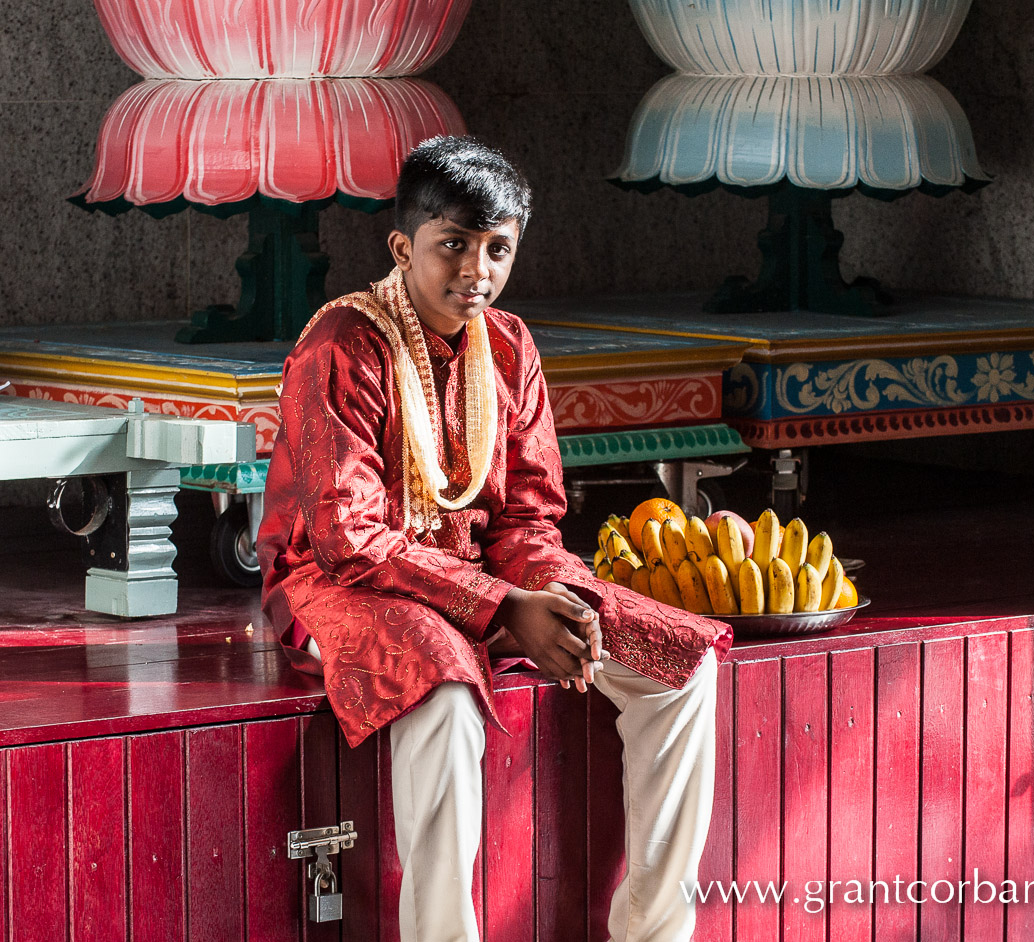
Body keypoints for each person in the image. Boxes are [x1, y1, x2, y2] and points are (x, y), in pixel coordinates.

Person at [257, 136, 732, 942]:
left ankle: (653, 931)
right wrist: (504, 608)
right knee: (444, 691)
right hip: (335, 587)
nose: (477, 270)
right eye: (454, 246)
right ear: (404, 247)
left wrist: (556, 598)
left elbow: (527, 518)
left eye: (498, 248)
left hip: (482, 580)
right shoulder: (341, 343)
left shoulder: (509, 345)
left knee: (679, 663)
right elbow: (349, 537)